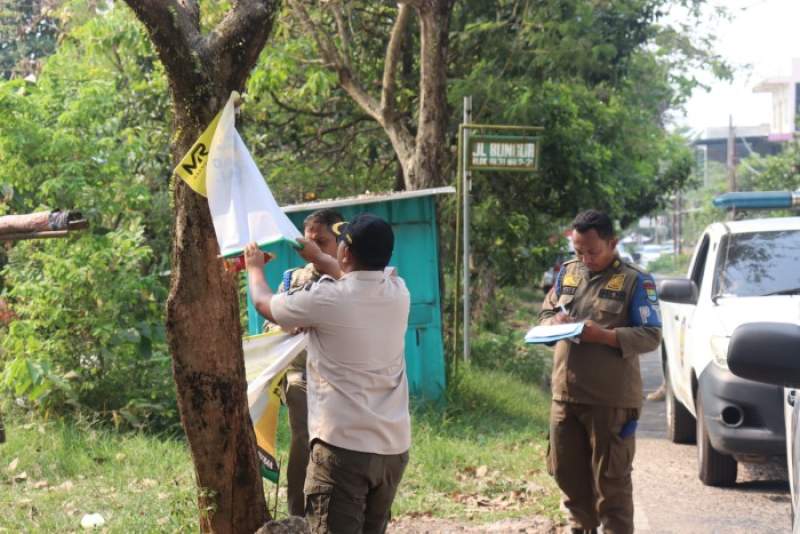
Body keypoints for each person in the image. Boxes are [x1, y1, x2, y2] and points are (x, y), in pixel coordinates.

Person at [245, 213, 410, 534]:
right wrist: (320, 258)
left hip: (343, 450)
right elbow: (353, 281)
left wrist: (254, 268)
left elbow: (265, 304)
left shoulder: (327, 298)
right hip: (393, 449)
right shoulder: (398, 291)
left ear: (344, 251)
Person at [538, 210, 662, 534]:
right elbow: (546, 313)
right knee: (569, 482)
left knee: (612, 489)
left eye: (593, 251)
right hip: (565, 397)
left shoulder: (635, 280)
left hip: (611, 402)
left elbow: (651, 335)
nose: (586, 258)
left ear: (613, 243)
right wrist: (553, 322)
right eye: (579, 251)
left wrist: (604, 336)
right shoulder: (568, 273)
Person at [271, 208, 343, 517]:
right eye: (307, 242)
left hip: (341, 377)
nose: (312, 249)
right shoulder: (292, 281)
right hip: (300, 373)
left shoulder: (351, 280)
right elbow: (271, 322)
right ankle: (298, 514)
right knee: (303, 436)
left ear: (340, 241)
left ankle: (340, 510)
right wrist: (283, 325)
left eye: (321, 242)